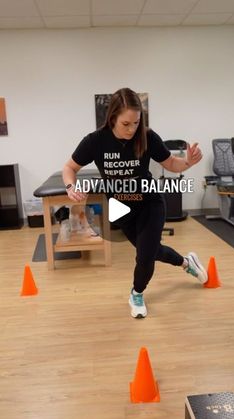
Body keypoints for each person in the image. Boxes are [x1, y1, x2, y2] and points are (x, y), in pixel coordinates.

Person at [63, 87, 207, 319]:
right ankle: (186, 262)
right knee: (150, 252)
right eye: (126, 123)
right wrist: (71, 186)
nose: (132, 129)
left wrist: (187, 163)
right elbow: (69, 168)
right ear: (112, 118)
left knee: (144, 257)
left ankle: (136, 293)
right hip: (121, 209)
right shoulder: (95, 141)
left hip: (150, 202)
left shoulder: (147, 136)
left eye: (136, 122)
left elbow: (170, 163)